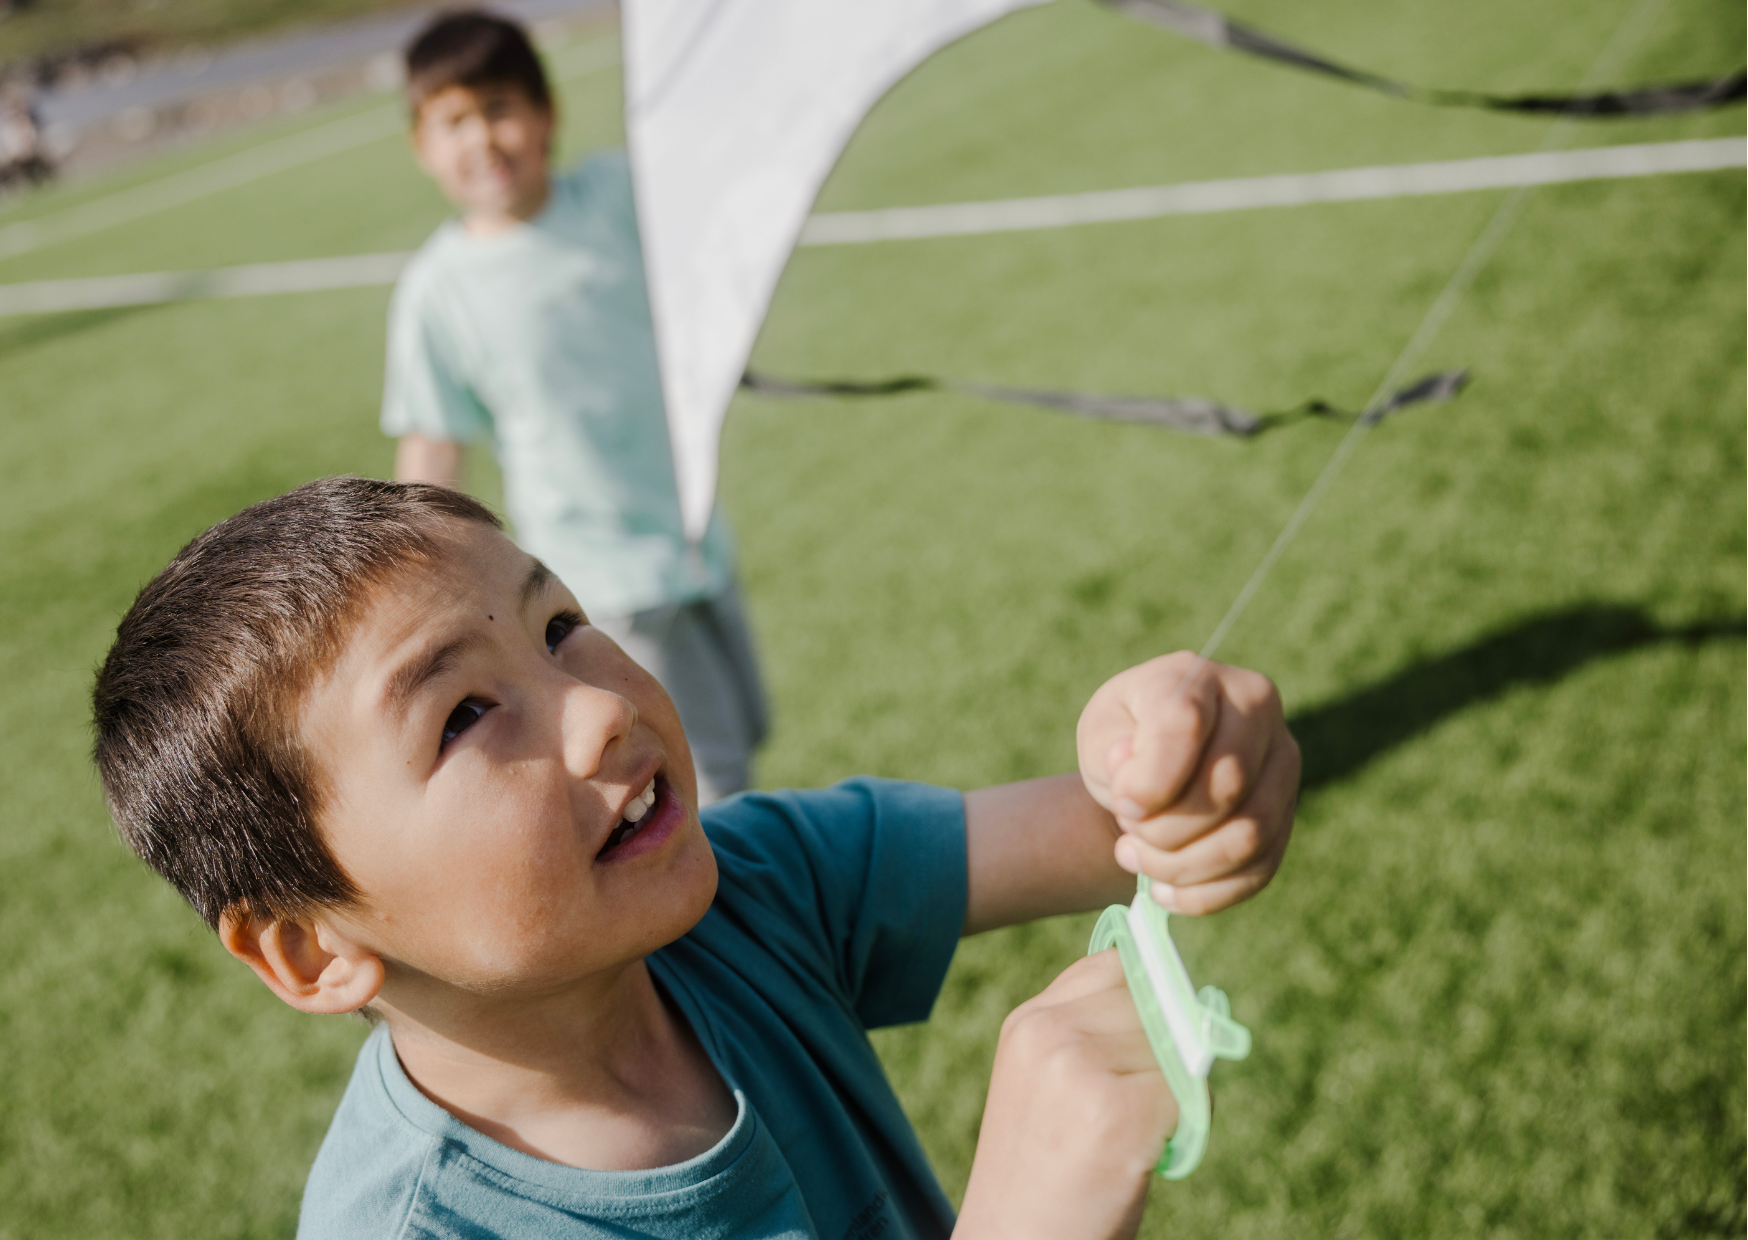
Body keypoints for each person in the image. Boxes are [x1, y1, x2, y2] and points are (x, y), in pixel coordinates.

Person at [92, 477, 1301, 1239]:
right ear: (310, 946)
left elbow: (1109, 832)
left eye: (561, 626)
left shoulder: (752, 889)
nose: (596, 708)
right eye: (462, 715)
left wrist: (1168, 760)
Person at [383, 11, 765, 804]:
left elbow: (710, 173)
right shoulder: (437, 293)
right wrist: (411, 574)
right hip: (604, 568)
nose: (483, 138)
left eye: (500, 108)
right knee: (711, 772)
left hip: (692, 526)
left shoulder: (614, 194)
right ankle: (737, 919)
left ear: (546, 112)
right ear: (421, 147)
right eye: (454, 121)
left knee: (748, 726)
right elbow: (433, 444)